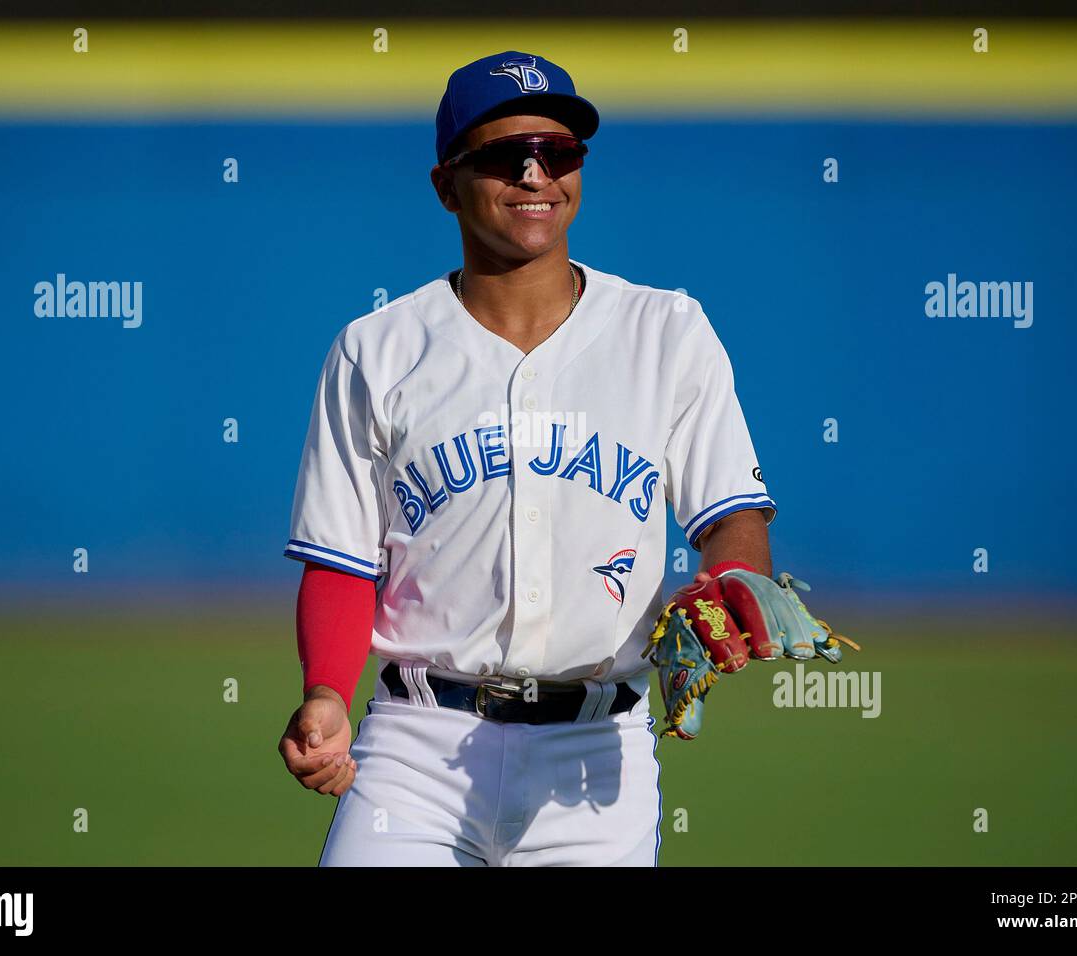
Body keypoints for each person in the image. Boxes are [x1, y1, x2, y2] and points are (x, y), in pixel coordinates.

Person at [276, 51, 774, 866]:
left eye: (560, 152)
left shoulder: (667, 332)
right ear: (446, 185)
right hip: (415, 751)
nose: (537, 173)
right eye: (507, 156)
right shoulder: (377, 349)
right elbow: (339, 559)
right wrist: (326, 692)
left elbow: (733, 517)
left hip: (596, 761)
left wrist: (732, 580)